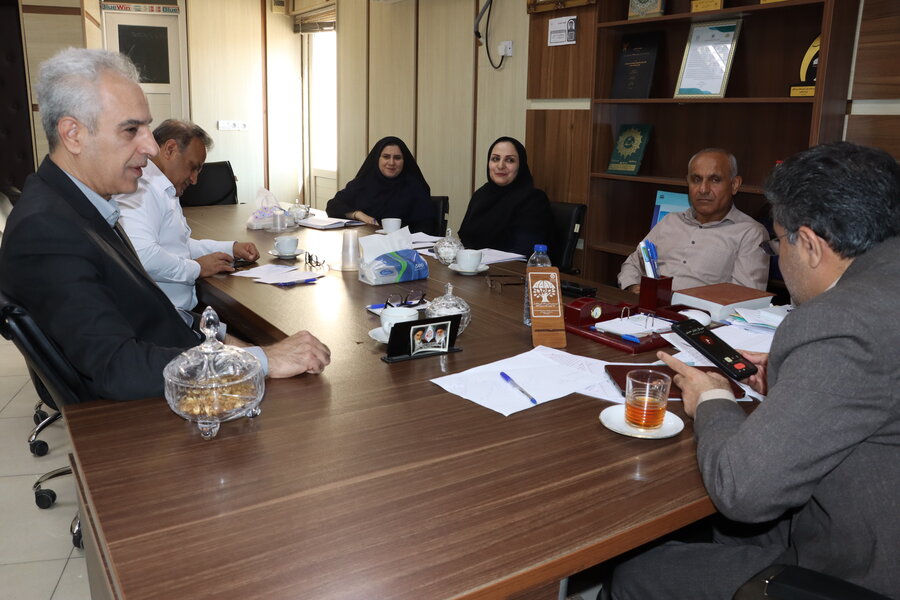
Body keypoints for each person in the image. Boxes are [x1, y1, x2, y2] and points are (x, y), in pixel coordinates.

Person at [610, 142, 900, 599]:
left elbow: (742, 492)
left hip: (857, 568)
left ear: (809, 244)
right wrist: (794, 375)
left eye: (778, 241)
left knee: (637, 574)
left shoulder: (839, 321)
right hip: (859, 504)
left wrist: (713, 397)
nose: (778, 256)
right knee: (718, 536)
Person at [0, 48, 330, 402]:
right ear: (73, 134)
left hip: (173, 357)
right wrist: (258, 361)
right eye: (131, 130)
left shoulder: (81, 204)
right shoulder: (47, 229)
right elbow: (117, 369)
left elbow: (147, 312)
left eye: (146, 127)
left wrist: (230, 344)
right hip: (142, 406)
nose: (151, 147)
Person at [116, 119, 259, 311]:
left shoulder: (163, 188)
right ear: (170, 149)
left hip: (178, 313)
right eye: (192, 167)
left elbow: (178, 245)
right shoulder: (139, 188)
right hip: (163, 318)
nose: (194, 179)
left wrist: (230, 248)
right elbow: (143, 256)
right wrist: (197, 268)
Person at [618, 149, 769, 293]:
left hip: (699, 312)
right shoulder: (670, 221)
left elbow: (745, 297)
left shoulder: (750, 233)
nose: (703, 189)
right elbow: (633, 263)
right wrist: (633, 287)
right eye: (696, 179)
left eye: (715, 180)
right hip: (648, 307)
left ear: (734, 185)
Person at [458, 136, 553, 257]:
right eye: (495, 159)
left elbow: (524, 249)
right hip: (473, 266)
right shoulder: (481, 195)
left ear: (521, 165)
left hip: (510, 267)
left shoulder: (533, 199)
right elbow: (465, 240)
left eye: (510, 160)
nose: (500, 166)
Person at [325, 136, 435, 233]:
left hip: (404, 247)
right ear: (377, 159)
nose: (391, 163)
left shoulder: (416, 188)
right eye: (386, 157)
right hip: (364, 244)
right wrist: (358, 214)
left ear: (404, 161)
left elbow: (427, 227)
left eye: (397, 158)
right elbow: (332, 206)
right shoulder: (362, 183)